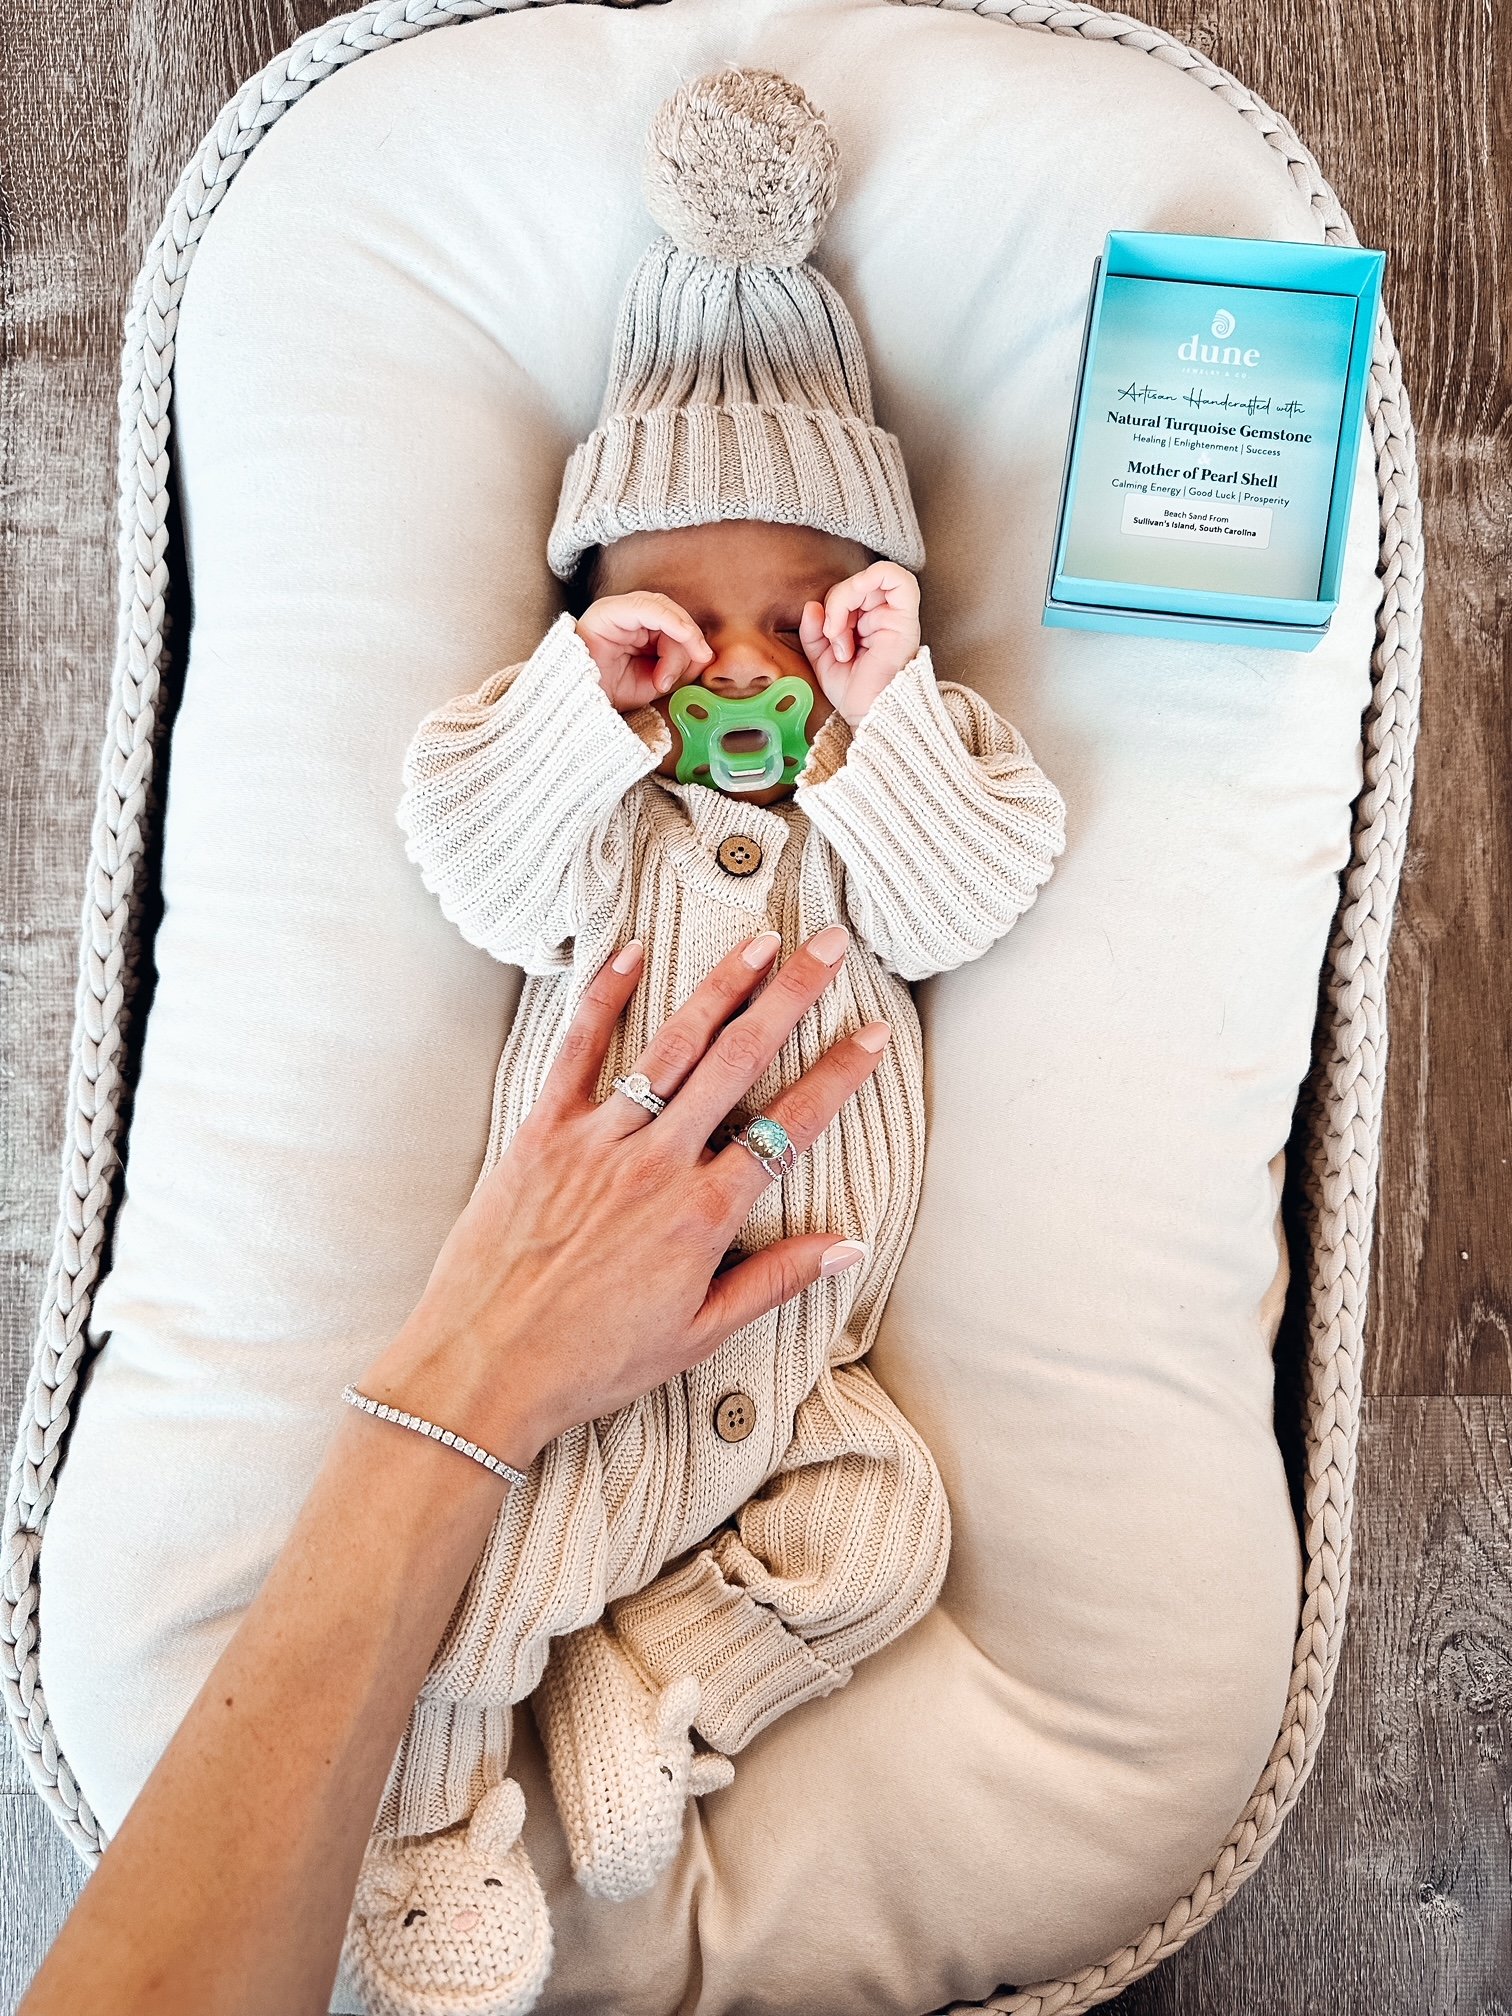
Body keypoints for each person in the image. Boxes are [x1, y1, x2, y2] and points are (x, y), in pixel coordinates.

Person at [352, 61, 1066, 2016]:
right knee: (483, 1577)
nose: (742, 670)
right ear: (601, 620)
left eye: (803, 617)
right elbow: (472, 868)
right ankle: (419, 1837)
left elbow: (969, 902)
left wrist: (893, 718)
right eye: (680, 622)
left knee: (887, 1531)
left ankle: (658, 1670)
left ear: (872, 623)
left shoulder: (877, 813)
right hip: (588, 1346)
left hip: (803, 1348)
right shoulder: (604, 822)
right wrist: (586, 708)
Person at [19, 926, 892, 2016]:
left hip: (774, 1361)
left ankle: (664, 1668)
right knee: (513, 1576)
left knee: (889, 1529)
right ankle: (437, 1814)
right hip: (618, 1381)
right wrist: (484, 1368)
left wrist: (484, 1353)